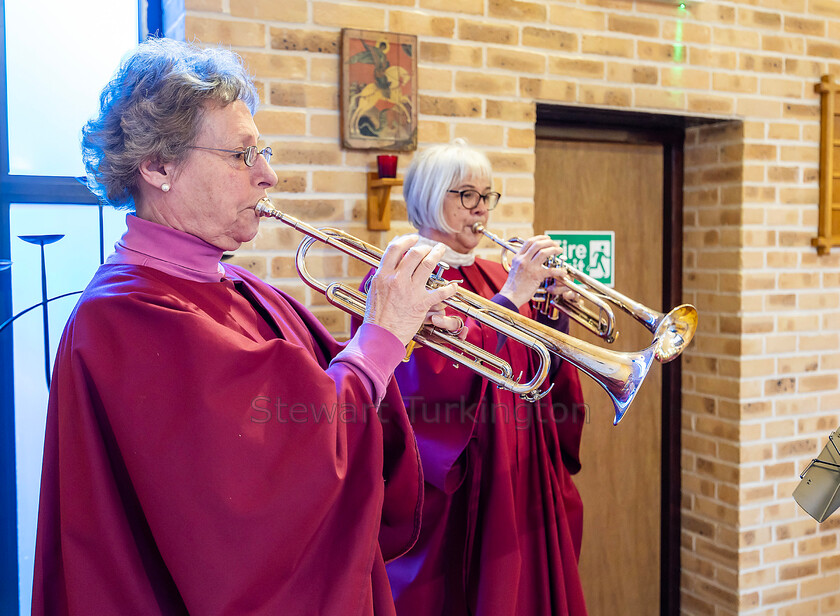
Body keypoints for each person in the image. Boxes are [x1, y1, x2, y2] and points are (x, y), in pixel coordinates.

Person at [31, 38, 462, 616]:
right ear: (159, 166)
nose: (268, 177)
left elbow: (336, 391)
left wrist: (401, 329)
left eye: (264, 153)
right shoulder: (126, 312)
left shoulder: (237, 288)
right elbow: (268, 488)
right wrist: (380, 337)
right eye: (242, 156)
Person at [359, 140, 589, 615]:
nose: (481, 208)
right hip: (463, 480)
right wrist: (513, 296)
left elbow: (530, 370)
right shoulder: (399, 277)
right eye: (466, 194)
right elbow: (429, 379)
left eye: (488, 196)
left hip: (518, 464)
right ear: (428, 197)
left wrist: (552, 316)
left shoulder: (489, 270)